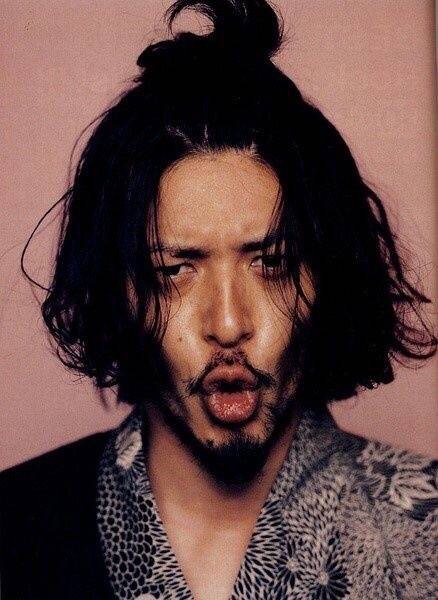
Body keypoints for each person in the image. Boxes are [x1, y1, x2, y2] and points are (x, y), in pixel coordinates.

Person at [1, 0, 437, 598]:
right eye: (174, 270)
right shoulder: (14, 531)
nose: (229, 323)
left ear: (329, 276)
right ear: (117, 291)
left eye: (273, 264)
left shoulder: (426, 535)